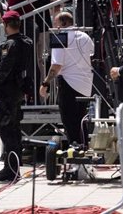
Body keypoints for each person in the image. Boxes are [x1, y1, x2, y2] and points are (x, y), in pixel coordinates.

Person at [0, 10, 33, 182]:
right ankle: (13, 166)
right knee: (13, 129)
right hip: (18, 90)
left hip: (7, 91)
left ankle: (10, 168)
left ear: (6, 26)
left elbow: (3, 69)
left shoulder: (10, 46)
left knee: (7, 130)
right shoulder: (26, 42)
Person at [39, 12, 94, 145]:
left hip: (69, 82)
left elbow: (56, 65)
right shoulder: (85, 36)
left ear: (63, 24)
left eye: (56, 24)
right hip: (86, 84)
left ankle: (76, 153)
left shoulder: (60, 37)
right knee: (81, 121)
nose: (55, 28)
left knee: (69, 121)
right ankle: (83, 148)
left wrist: (45, 83)